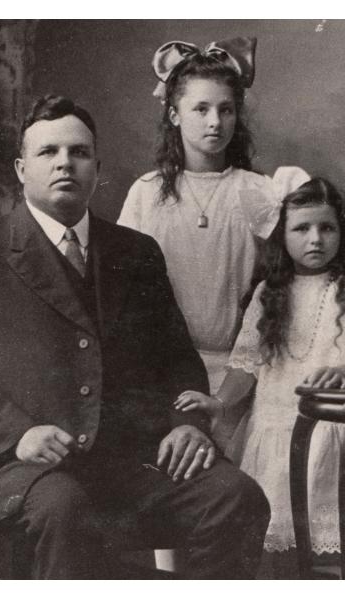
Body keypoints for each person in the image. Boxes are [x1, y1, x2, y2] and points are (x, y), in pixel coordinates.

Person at [0, 95, 270, 579]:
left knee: (236, 497)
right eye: (48, 153)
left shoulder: (136, 251)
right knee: (65, 509)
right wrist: (17, 433)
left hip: (131, 461)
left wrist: (186, 424)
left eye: (79, 153)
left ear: (97, 168)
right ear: (22, 169)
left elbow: (176, 359)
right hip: (20, 467)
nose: (65, 163)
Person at [176, 178, 345, 572]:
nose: (316, 239)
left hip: (342, 436)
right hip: (276, 435)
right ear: (282, 235)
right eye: (302, 228)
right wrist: (219, 402)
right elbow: (245, 364)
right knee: (278, 555)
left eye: (327, 228)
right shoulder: (266, 294)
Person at [117, 36, 308, 407]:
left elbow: (280, 287)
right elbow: (122, 290)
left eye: (226, 110)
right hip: (160, 372)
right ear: (174, 115)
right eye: (200, 109)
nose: (215, 122)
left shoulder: (259, 191)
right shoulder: (146, 192)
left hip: (242, 374)